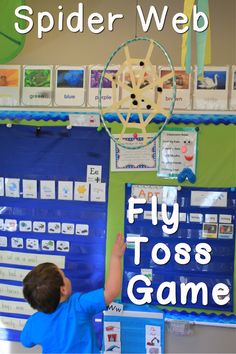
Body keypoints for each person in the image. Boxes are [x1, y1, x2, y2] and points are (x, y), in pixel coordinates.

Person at [20, 233, 126, 354]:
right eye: (64, 276)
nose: (67, 277)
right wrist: (116, 257)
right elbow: (111, 292)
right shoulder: (78, 305)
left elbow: (25, 341)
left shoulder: (34, 322)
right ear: (63, 290)